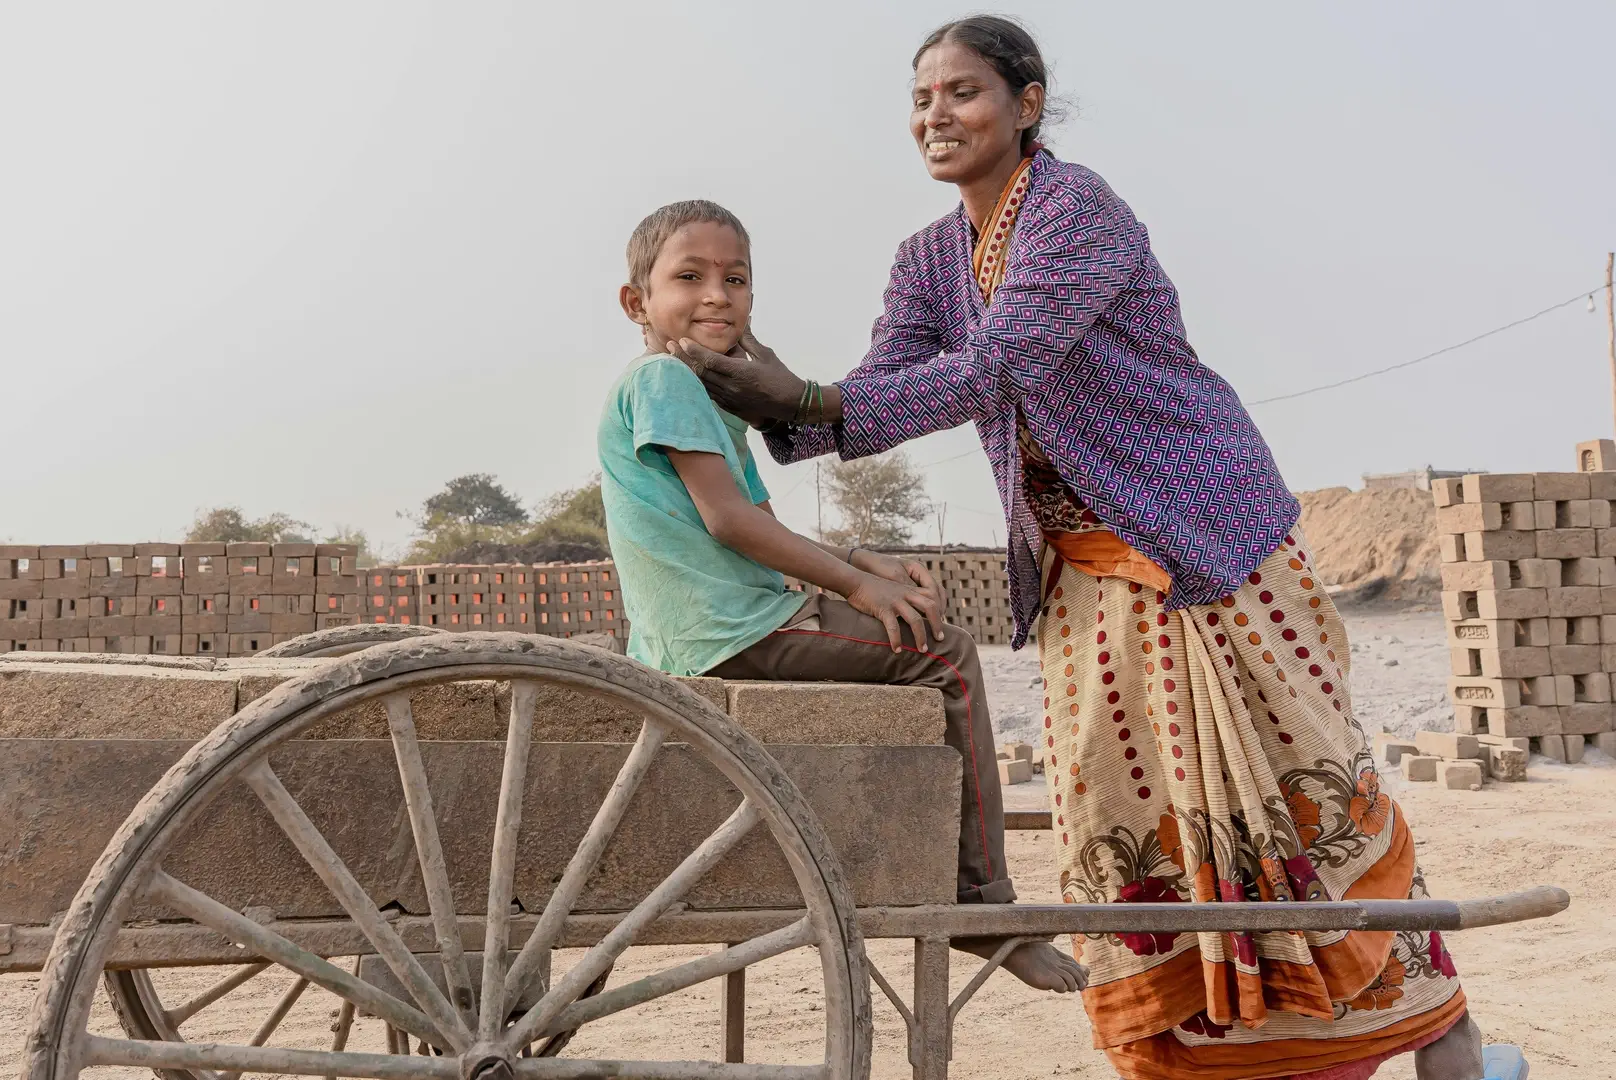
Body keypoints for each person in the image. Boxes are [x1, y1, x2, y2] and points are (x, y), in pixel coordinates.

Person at [674, 15, 1487, 1080]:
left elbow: (1002, 364)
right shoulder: (927, 258)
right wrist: (767, 392)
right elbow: (883, 386)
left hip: (1208, 543)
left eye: (961, 92)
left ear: (1027, 103)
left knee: (1305, 790)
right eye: (920, 100)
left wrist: (808, 400)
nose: (935, 116)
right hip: (1080, 576)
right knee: (1124, 812)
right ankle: (1206, 1053)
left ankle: (1442, 1031)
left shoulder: (1076, 210)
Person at [598, 198, 1086, 993]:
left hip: (713, 627)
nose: (717, 295)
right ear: (636, 302)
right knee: (949, 658)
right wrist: (857, 583)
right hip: (732, 629)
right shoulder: (663, 380)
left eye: (736, 279)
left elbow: (760, 521)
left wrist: (864, 559)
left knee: (916, 625)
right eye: (689, 278)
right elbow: (730, 524)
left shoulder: (704, 398)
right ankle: (983, 906)